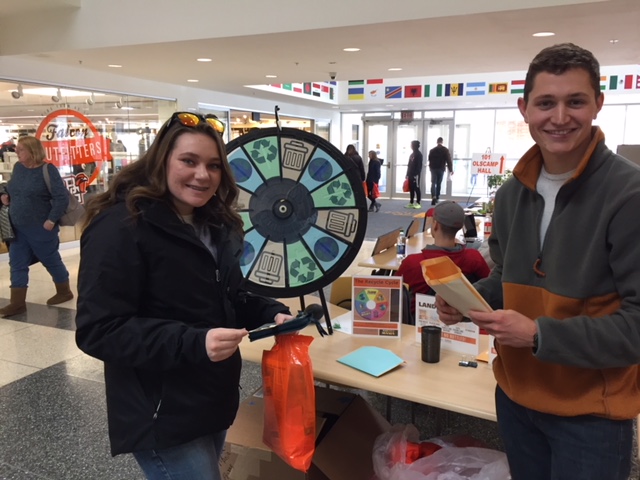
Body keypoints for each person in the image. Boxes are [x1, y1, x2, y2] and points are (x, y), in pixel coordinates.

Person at [435, 43, 640, 480]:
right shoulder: (512, 194)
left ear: (598, 105)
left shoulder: (629, 195)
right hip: (515, 400)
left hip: (591, 416)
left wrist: (537, 335)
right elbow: (506, 278)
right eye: (546, 103)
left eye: (575, 102)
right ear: (524, 109)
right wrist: (467, 301)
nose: (560, 117)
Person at [74, 112, 294, 479]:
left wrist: (271, 313)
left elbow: (228, 295)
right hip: (160, 411)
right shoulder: (121, 227)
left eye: (213, 165)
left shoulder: (214, 222)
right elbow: (99, 329)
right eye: (189, 161)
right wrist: (194, 342)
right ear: (161, 161)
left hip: (212, 396)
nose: (202, 175)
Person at [0, 136, 73, 317]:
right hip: (17, 227)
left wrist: (51, 220)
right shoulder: (18, 168)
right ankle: (17, 303)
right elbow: (12, 188)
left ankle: (64, 291)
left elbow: (61, 198)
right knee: (16, 263)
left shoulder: (48, 170)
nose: (16, 151)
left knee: (50, 260)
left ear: (33, 151)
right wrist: (4, 194)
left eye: (21, 149)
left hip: (41, 228)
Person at [397, 201, 489, 313]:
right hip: (463, 319)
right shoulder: (474, 258)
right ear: (460, 227)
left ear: (435, 225)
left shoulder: (413, 263)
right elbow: (488, 288)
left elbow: (394, 293)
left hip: (417, 321)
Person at [427, 137, 453, 205]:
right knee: (439, 183)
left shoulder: (432, 150)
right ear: (442, 142)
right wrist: (451, 170)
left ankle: (433, 196)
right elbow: (448, 160)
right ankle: (437, 197)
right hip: (441, 169)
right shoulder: (445, 150)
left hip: (433, 168)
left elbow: (429, 159)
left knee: (433, 183)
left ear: (437, 142)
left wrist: (430, 168)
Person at [404, 140, 423, 209]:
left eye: (411, 145)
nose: (411, 146)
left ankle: (418, 203)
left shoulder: (419, 154)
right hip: (410, 174)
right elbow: (409, 165)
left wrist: (416, 174)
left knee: (416, 188)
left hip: (416, 175)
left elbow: (419, 166)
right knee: (411, 188)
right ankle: (411, 202)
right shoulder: (412, 154)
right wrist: (407, 174)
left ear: (415, 146)